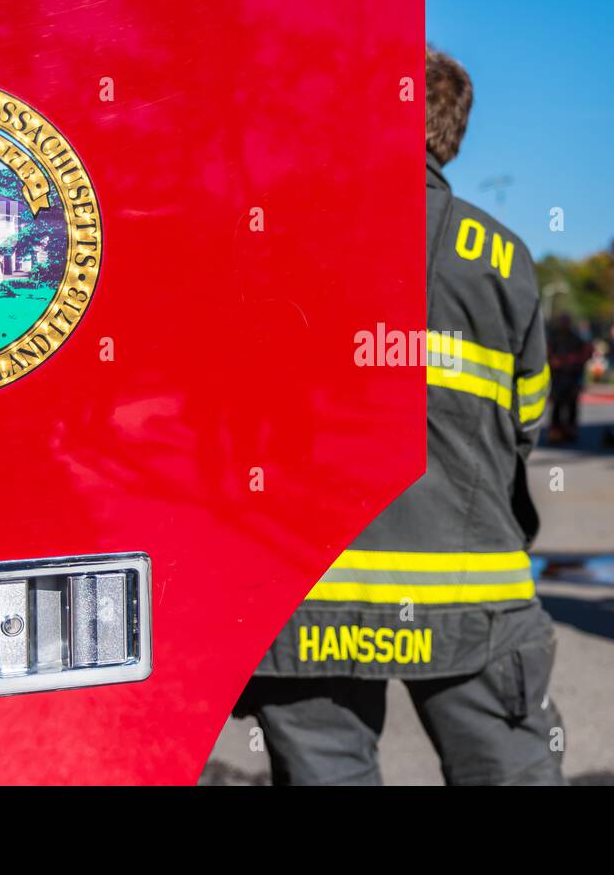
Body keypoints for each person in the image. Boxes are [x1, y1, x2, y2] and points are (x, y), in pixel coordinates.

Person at [235, 48, 564, 784]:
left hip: (309, 593)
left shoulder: (277, 238)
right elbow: (528, 421)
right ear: (451, 136)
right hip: (470, 591)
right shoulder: (503, 257)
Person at [546, 313, 591, 444]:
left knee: (572, 404)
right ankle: (556, 431)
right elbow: (548, 352)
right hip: (558, 377)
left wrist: (576, 361)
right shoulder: (554, 337)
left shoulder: (576, 338)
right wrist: (553, 360)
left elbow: (587, 351)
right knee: (557, 404)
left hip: (572, 376)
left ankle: (570, 430)